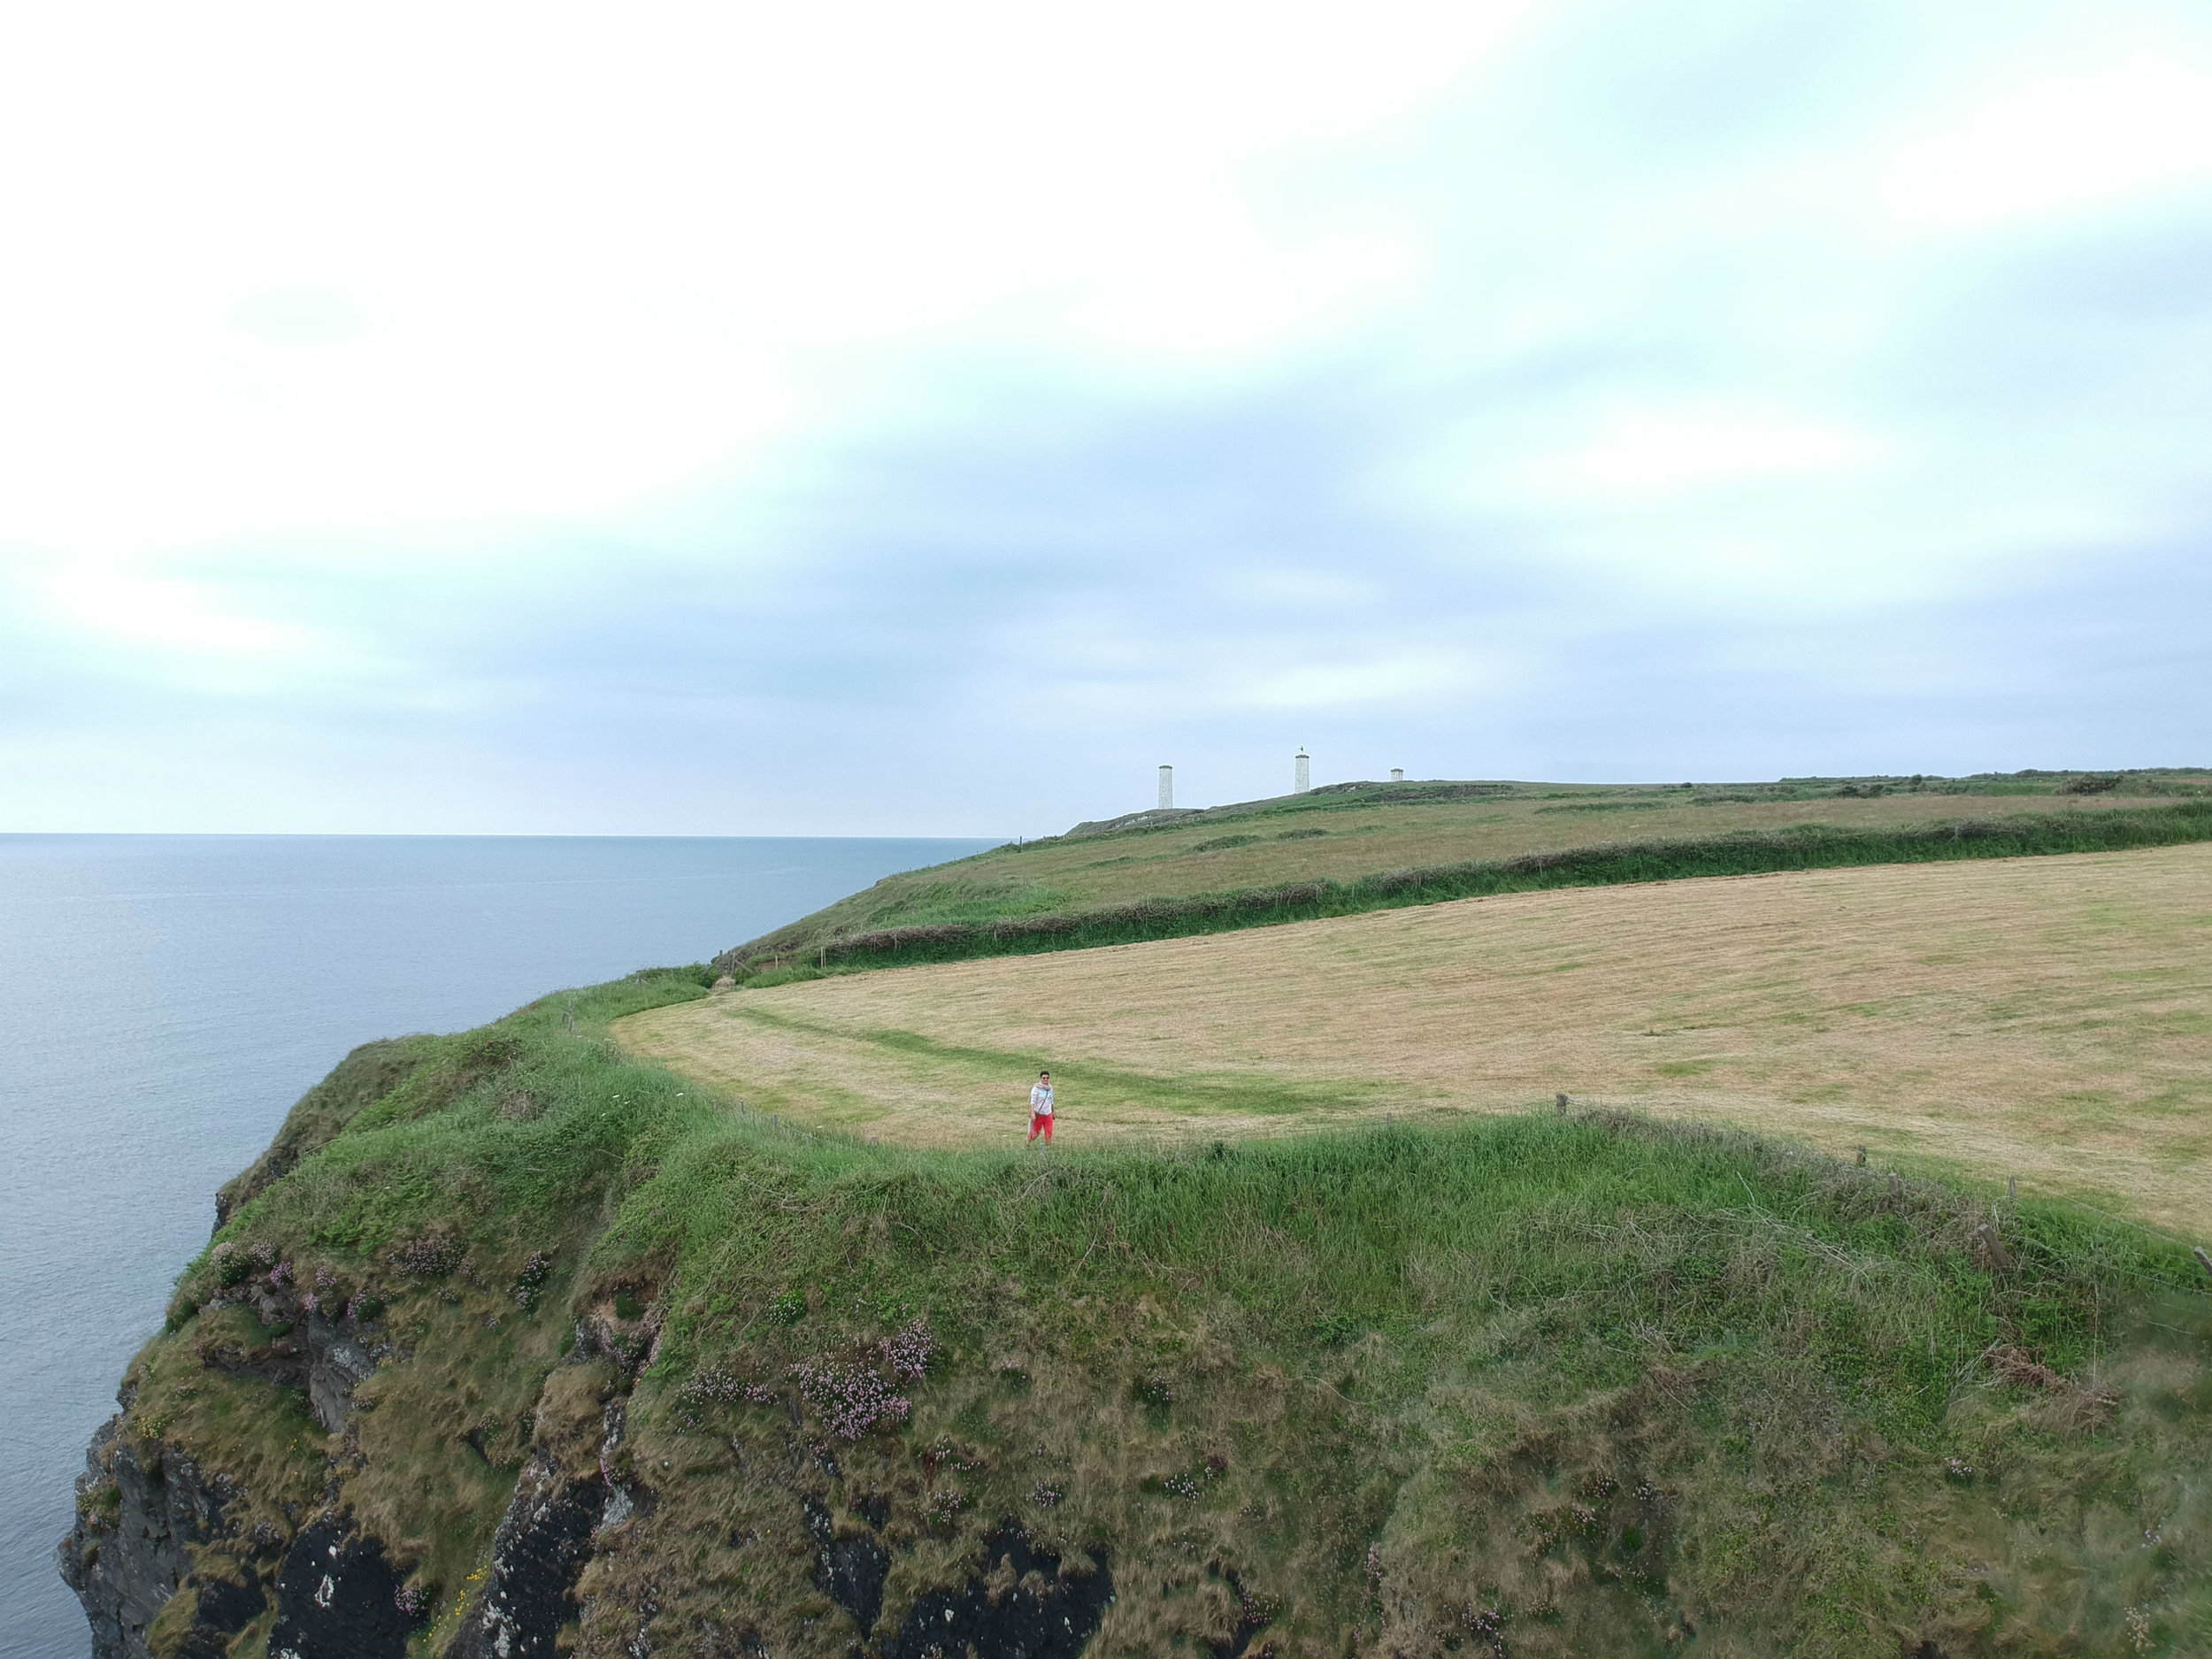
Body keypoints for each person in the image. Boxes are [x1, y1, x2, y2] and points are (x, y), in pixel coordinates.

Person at [1027, 1070, 1055, 1144]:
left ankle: (1048, 1148)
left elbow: (1051, 1100)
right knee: (1035, 1133)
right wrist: (1032, 1113)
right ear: (1040, 1078)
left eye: (1047, 1078)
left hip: (1048, 1114)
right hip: (1039, 1114)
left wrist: (1053, 1112)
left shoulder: (1050, 1088)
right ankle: (1028, 1143)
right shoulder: (1036, 1088)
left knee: (1049, 1132)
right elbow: (1033, 1101)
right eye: (1044, 1078)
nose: (1046, 1079)